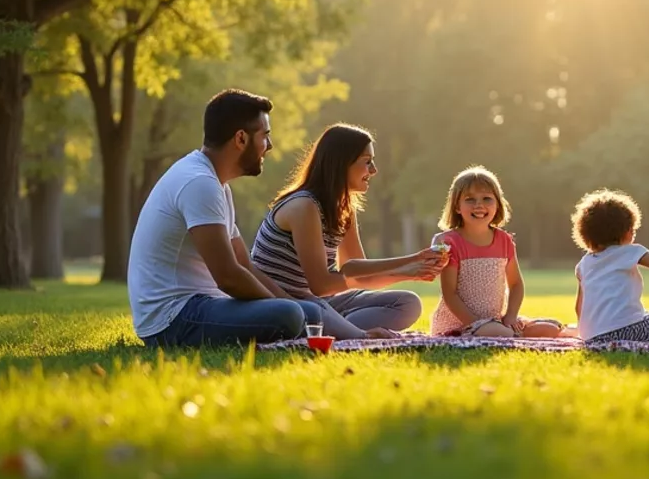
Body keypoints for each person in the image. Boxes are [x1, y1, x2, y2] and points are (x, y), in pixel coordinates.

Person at [129, 89, 330, 347]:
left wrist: (290, 303)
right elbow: (228, 276)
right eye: (265, 136)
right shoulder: (199, 183)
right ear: (241, 138)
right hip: (173, 318)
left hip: (202, 305)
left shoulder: (217, 184)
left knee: (308, 312)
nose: (269, 146)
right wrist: (284, 306)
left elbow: (244, 264)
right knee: (290, 315)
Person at [249, 123, 444, 333]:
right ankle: (345, 331)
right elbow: (321, 285)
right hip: (290, 303)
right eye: (367, 162)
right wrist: (411, 260)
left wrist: (411, 271)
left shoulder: (343, 207)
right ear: (341, 164)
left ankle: (338, 329)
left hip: (323, 302)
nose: (374, 170)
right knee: (317, 309)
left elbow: (361, 275)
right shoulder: (303, 206)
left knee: (408, 303)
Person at [426, 166, 563, 338]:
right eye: (470, 199)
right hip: (461, 323)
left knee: (550, 329)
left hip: (495, 320)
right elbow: (450, 294)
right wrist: (476, 324)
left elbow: (516, 285)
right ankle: (511, 335)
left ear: (497, 205)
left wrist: (511, 316)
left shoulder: (504, 240)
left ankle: (513, 332)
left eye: (486, 199)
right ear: (457, 207)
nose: (479, 205)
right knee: (498, 332)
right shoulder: (450, 242)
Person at [572, 189, 649, 343]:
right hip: (625, 332)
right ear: (627, 231)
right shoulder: (631, 251)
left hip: (592, 336)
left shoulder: (583, 264)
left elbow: (579, 307)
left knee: (648, 316)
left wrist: (585, 331)